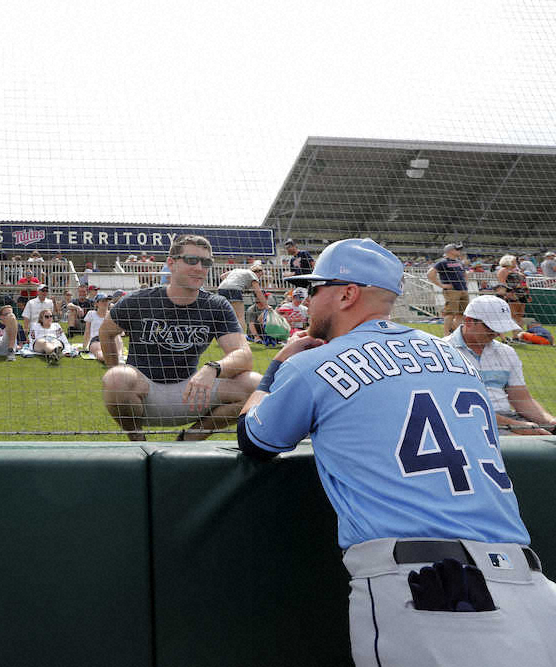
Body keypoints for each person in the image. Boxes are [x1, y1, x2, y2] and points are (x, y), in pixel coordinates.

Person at [236, 238, 556, 667]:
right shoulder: (458, 358)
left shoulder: (313, 364)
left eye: (314, 289)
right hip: (531, 588)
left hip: (426, 589)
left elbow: (254, 440)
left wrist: (275, 368)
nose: (307, 300)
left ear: (347, 294)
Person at [99, 234, 259, 441]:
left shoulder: (216, 305)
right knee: (116, 378)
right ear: (171, 263)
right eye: (191, 260)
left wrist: (213, 368)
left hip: (190, 393)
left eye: (206, 262)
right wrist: (116, 372)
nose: (199, 268)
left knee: (255, 385)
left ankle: (191, 438)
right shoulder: (139, 300)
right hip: (142, 394)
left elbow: (244, 354)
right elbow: (106, 332)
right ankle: (136, 439)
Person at [446, 295, 556, 435]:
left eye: (500, 329)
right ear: (468, 321)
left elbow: (521, 398)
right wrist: (515, 426)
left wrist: (550, 422)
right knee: (535, 445)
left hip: (508, 420)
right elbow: (455, 407)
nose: (496, 334)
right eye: (490, 328)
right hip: (467, 423)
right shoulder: (444, 351)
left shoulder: (506, 352)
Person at [426, 243, 468, 334]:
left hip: (463, 290)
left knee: (462, 314)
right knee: (450, 313)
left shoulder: (459, 262)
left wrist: (465, 284)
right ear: (450, 251)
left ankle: (454, 332)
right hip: (452, 291)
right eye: (457, 249)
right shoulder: (443, 262)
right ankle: (446, 335)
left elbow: (465, 274)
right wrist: (442, 285)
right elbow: (430, 274)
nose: (459, 251)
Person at [217, 261, 268, 333]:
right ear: (259, 273)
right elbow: (258, 292)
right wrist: (266, 306)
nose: (259, 278)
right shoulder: (253, 275)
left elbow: (222, 276)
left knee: (226, 315)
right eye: (260, 275)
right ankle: (241, 336)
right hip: (235, 290)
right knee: (240, 316)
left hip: (221, 289)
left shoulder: (237, 270)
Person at [83, 293, 121, 363]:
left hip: (110, 337)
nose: (105, 303)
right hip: (96, 339)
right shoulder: (91, 313)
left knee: (117, 336)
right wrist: (84, 346)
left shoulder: (112, 314)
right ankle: (111, 359)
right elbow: (87, 331)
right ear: (96, 303)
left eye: (106, 301)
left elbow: (119, 331)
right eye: (102, 301)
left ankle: (118, 355)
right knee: (99, 353)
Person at [495, 254, 529, 328]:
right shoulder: (503, 270)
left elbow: (522, 281)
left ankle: (519, 331)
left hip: (521, 293)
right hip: (511, 294)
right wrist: (508, 293)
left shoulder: (516, 270)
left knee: (520, 314)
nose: (515, 262)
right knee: (514, 314)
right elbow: (502, 283)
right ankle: (515, 332)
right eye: (514, 261)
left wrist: (526, 292)